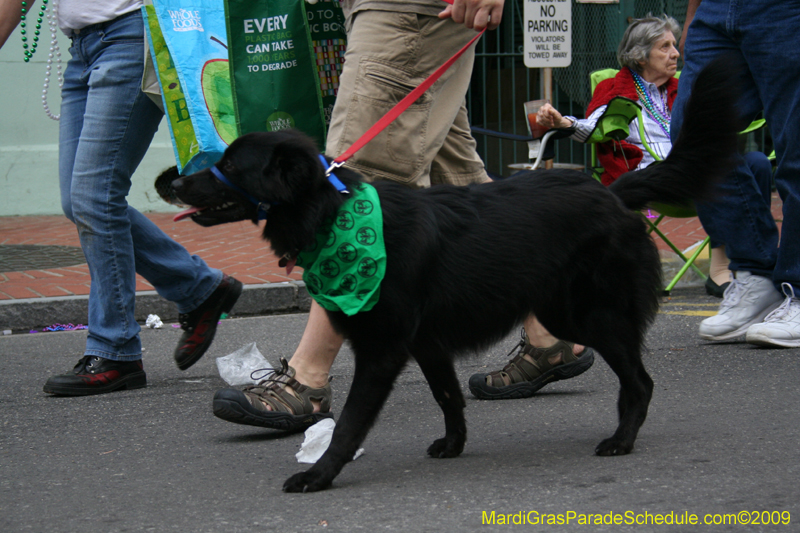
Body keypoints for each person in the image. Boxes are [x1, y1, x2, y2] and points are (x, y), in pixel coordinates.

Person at [211, 0, 595, 430]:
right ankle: (548, 333)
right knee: (458, 178)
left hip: (406, 9)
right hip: (403, 11)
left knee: (354, 191)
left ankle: (307, 379)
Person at [1, 0, 242, 396]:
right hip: (82, 48)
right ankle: (200, 288)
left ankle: (115, 350)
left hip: (130, 36)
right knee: (78, 200)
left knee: (95, 195)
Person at [534, 14, 772, 299]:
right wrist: (565, 124)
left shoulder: (683, 87)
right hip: (650, 177)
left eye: (674, 45)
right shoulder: (614, 89)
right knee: (715, 172)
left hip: (690, 171)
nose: (675, 53)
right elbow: (596, 126)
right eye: (665, 47)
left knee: (756, 162)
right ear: (641, 55)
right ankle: (725, 269)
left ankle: (736, 263)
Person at [673, 0, 800, 347]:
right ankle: (756, 274)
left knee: (796, 152)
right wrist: (693, 15)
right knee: (694, 137)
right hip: (715, 11)